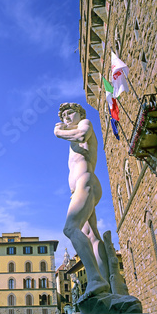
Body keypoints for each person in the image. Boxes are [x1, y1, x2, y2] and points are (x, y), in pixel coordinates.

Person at [54, 102, 111, 302]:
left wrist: (59, 132)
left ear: (80, 114)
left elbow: (80, 136)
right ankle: (106, 284)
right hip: (80, 188)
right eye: (64, 116)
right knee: (91, 236)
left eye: (70, 113)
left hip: (86, 181)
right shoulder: (73, 128)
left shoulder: (85, 123)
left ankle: (96, 279)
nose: (66, 118)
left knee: (70, 228)